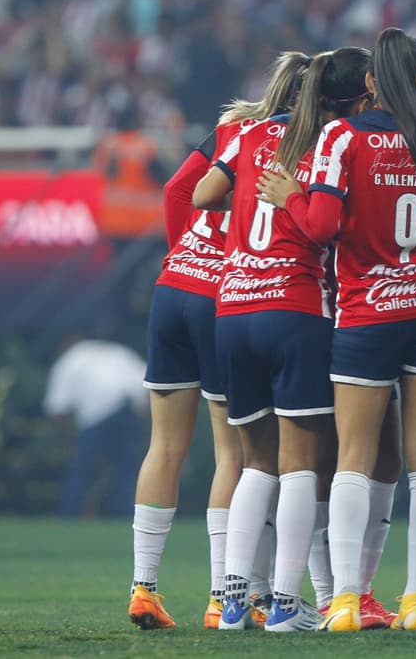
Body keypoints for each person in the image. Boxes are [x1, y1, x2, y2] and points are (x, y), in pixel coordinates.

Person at [258, 27, 416, 631]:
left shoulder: (343, 137)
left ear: (371, 81)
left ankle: (346, 598)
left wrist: (291, 197)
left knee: (353, 457)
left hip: (367, 313)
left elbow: (321, 227)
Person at [192, 47, 371, 633]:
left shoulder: (248, 134)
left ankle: (233, 600)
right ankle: (288, 605)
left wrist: (245, 195)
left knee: (255, 463)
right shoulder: (332, 141)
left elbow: (200, 195)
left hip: (232, 308)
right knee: (300, 466)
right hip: (294, 306)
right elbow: (326, 225)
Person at [126, 54, 306, 631]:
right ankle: (219, 596)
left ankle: (144, 588)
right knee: (235, 454)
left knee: (163, 447)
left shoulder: (233, 129)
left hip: (173, 285)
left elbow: (178, 188)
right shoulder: (304, 142)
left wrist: (186, 251)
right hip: (222, 295)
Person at [43, 335, 147, 519]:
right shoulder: (118, 352)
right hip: (128, 409)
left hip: (97, 414)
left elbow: (58, 410)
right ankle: (129, 517)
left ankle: (69, 515)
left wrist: (68, 440)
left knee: (82, 469)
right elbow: (147, 386)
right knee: (127, 471)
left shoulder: (69, 359)